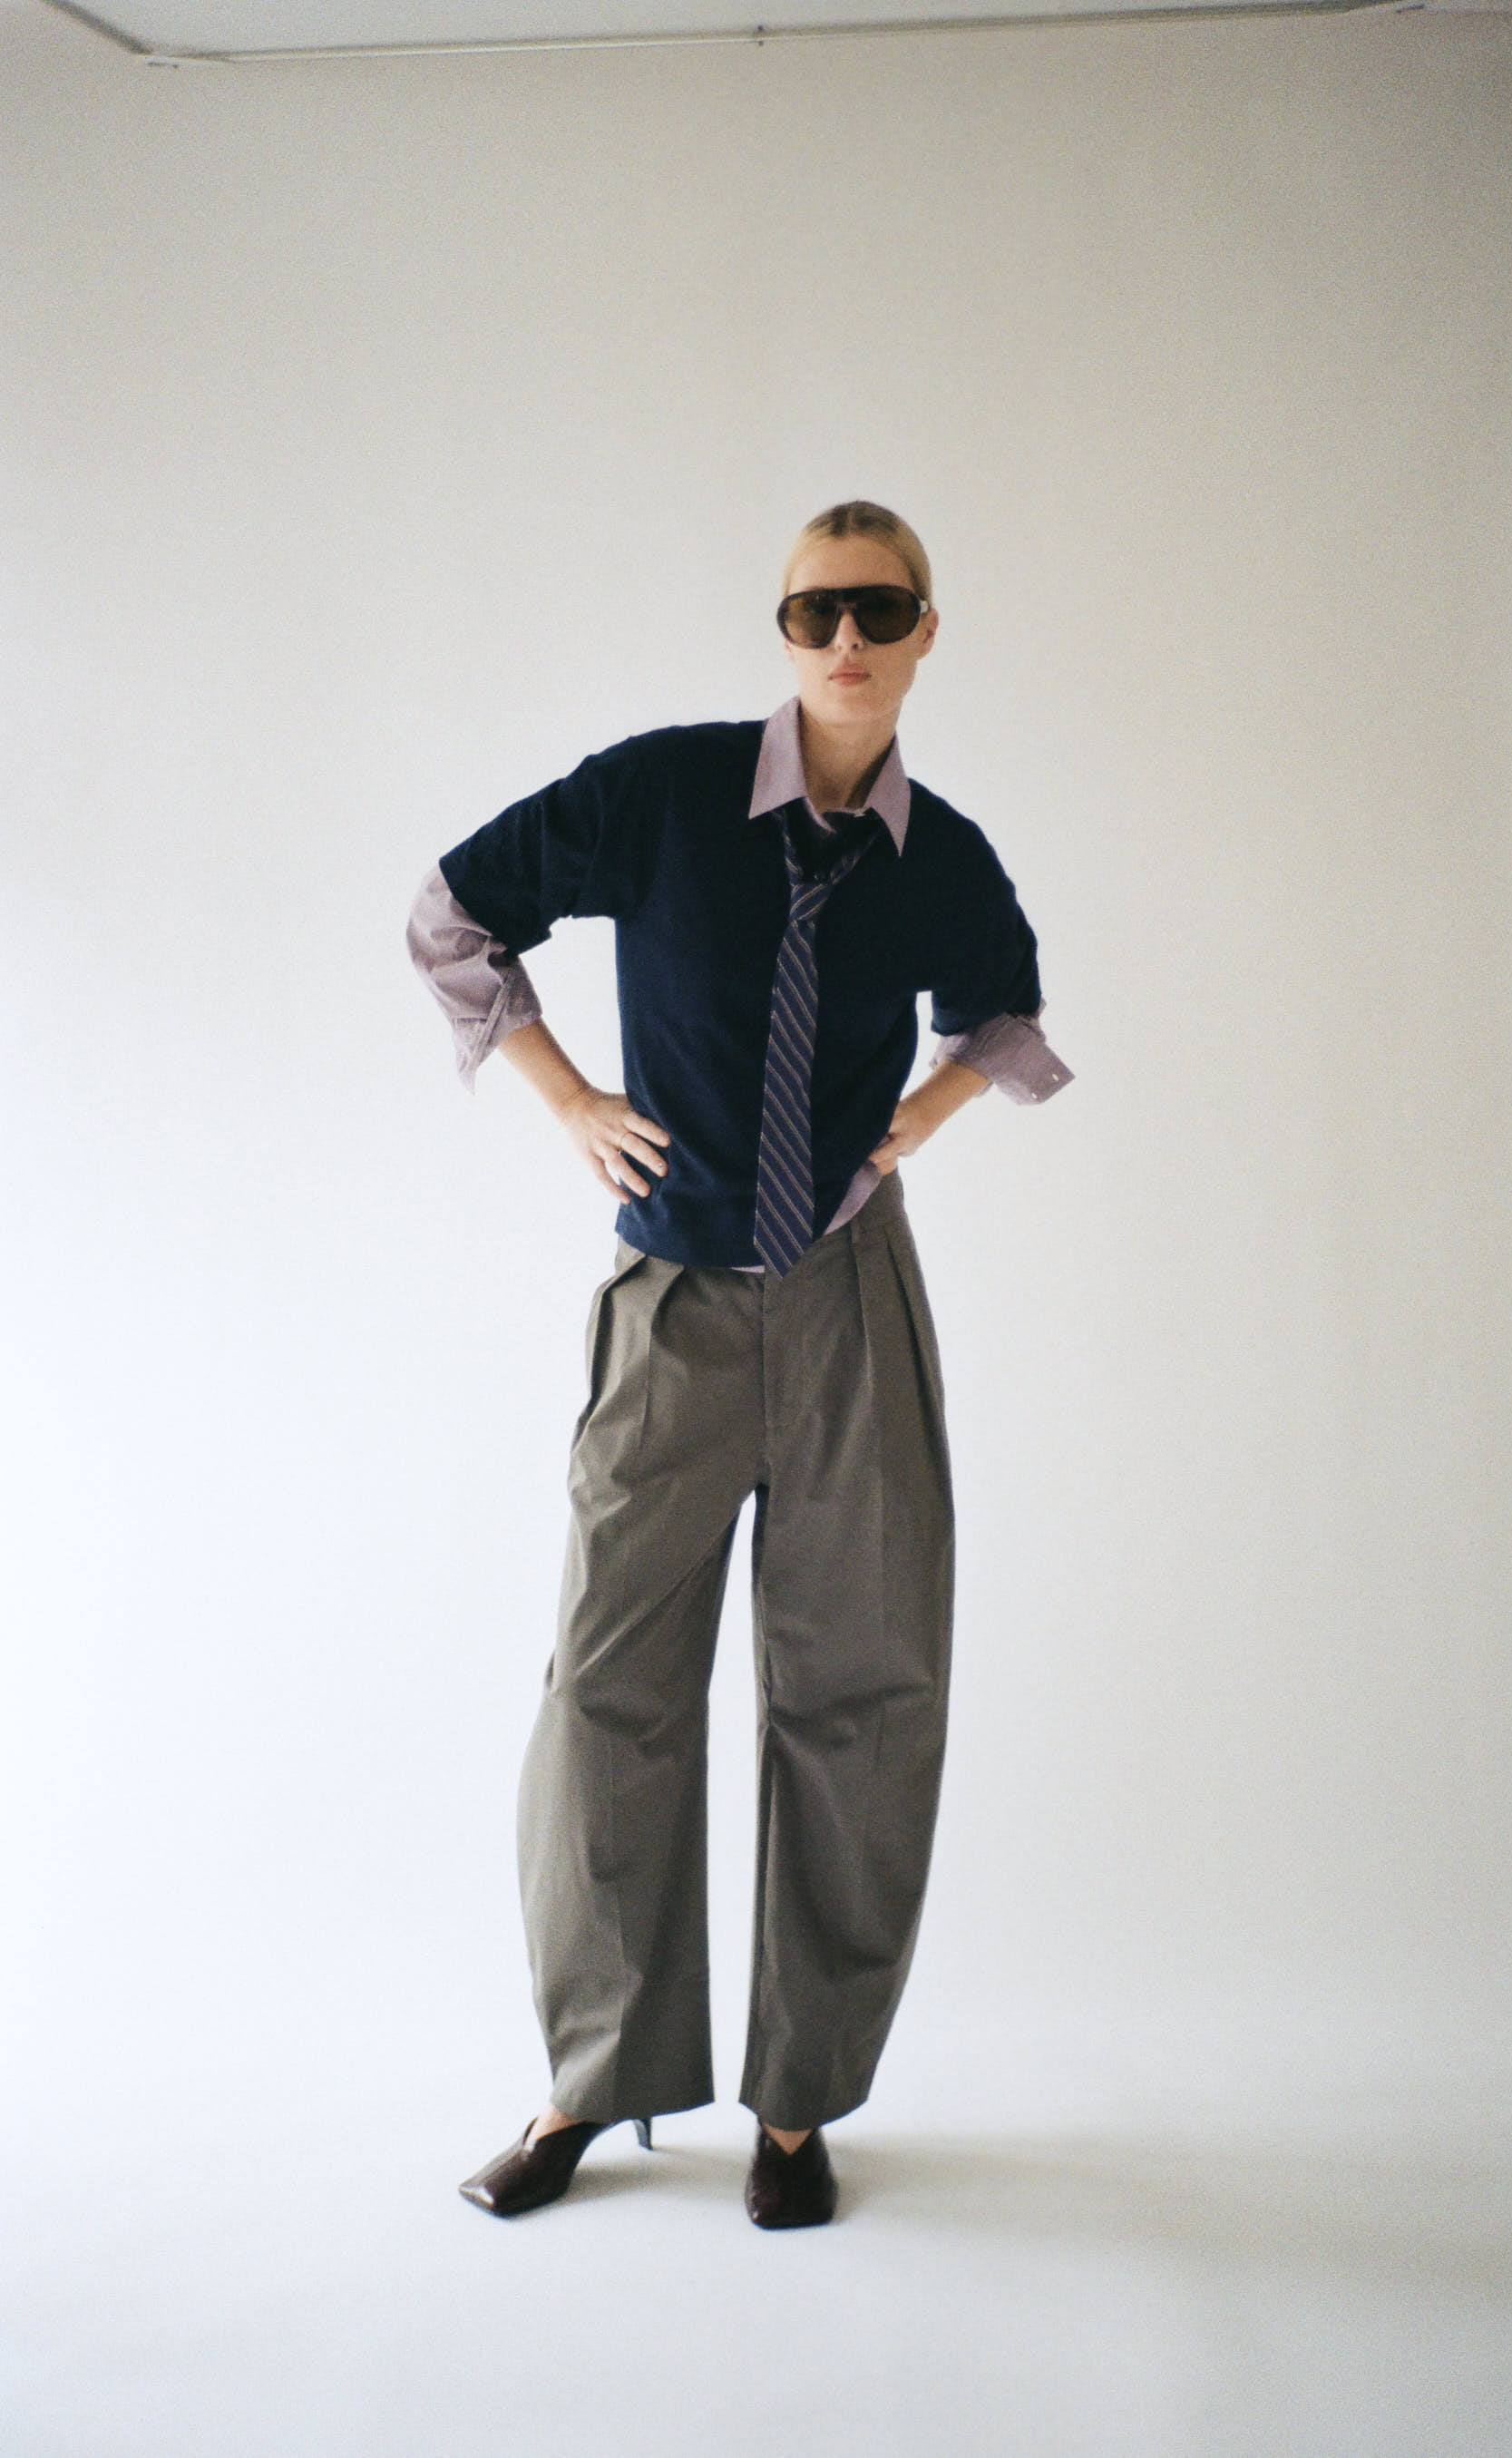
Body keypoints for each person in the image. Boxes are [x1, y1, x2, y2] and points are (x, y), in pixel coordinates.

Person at [406, 500, 1071, 2229]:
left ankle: (796, 2104)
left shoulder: (941, 855)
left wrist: (914, 1121)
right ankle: (590, 2077)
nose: (845, 638)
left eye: (880, 609)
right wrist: (567, 1097)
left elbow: (1004, 1013)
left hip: (850, 1300)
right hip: (675, 1303)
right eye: (813, 609)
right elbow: (455, 910)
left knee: (860, 1690)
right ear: (781, 629)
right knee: (605, 1689)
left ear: (925, 631)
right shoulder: (664, 792)